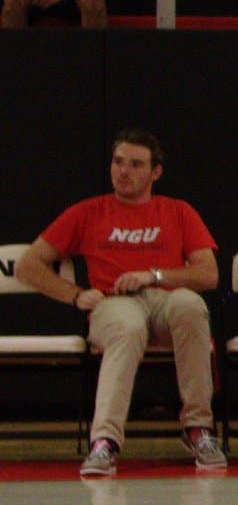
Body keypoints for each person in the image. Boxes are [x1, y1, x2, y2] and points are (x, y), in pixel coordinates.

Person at [18, 130, 222, 478]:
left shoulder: (178, 211)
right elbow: (28, 265)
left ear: (155, 172)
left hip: (164, 300)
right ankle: (105, 442)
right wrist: (75, 294)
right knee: (127, 326)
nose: (123, 171)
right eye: (118, 162)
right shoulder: (89, 211)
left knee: (190, 305)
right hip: (115, 301)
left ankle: (198, 429)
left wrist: (154, 275)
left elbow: (208, 274)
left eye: (135, 164)